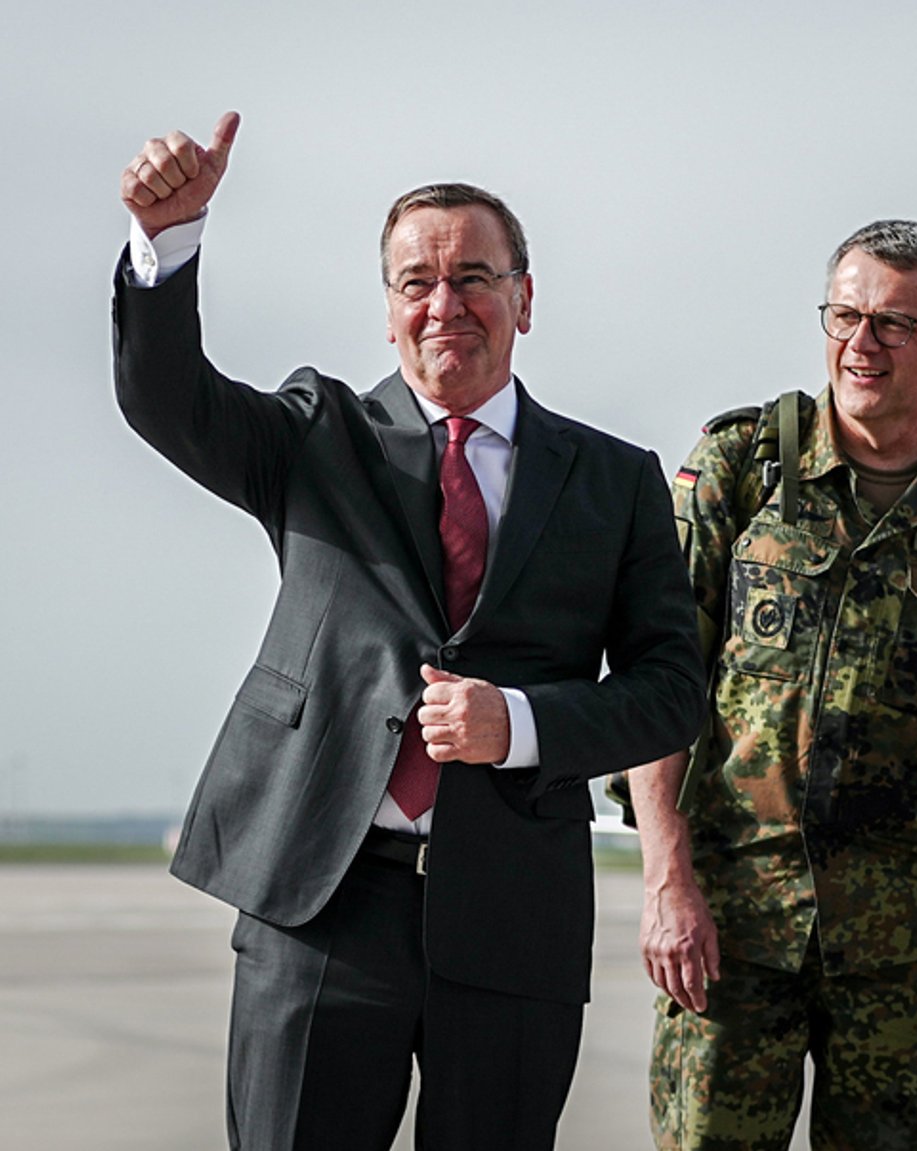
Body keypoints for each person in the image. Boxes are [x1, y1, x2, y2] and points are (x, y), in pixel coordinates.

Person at [112, 113, 706, 1149]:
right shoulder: (313, 434)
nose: (446, 305)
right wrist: (168, 246)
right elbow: (169, 399)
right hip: (324, 897)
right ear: (387, 313)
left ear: (525, 297)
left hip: (514, 910)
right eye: (415, 284)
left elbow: (670, 688)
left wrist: (517, 722)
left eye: (474, 276)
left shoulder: (614, 479)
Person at [625, 220, 917, 1151]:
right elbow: (657, 681)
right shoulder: (743, 466)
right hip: (733, 929)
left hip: (905, 950)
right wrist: (665, 878)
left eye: (893, 323)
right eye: (844, 316)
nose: (860, 345)